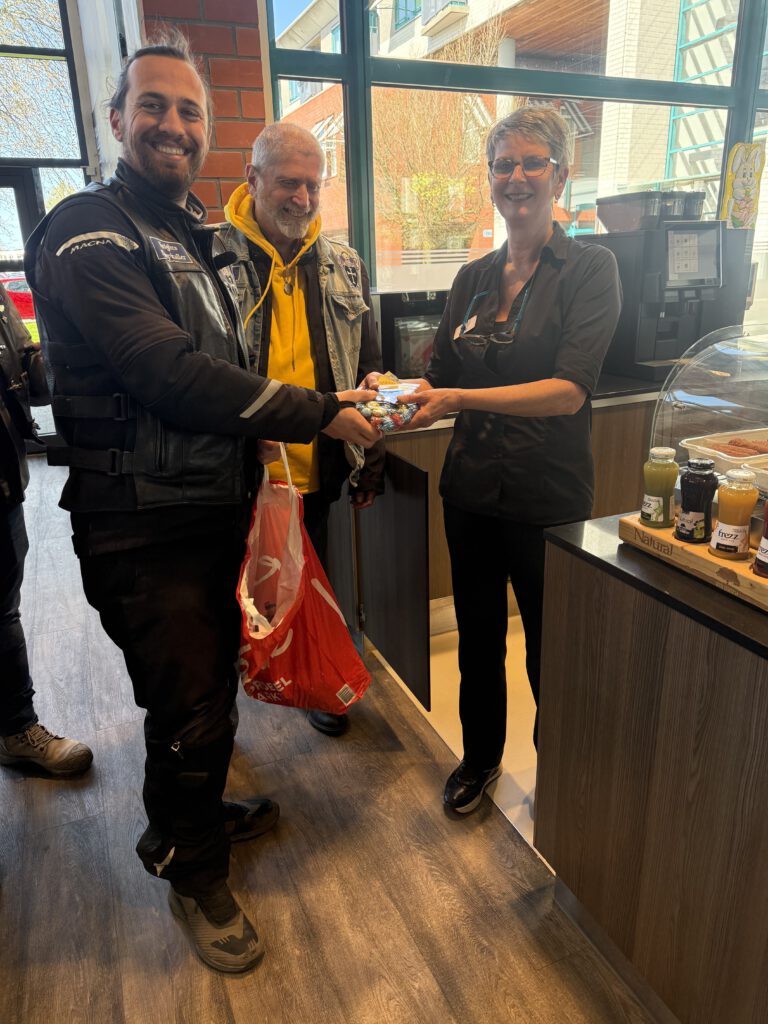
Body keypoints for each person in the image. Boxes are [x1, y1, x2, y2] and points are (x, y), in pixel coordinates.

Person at [24, 34, 378, 974]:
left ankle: (187, 816)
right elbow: (168, 373)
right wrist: (320, 412)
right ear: (116, 119)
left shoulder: (193, 236)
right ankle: (196, 874)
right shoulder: (88, 228)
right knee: (188, 705)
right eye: (153, 105)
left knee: (206, 694)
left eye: (189, 111)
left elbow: (229, 374)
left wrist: (267, 443)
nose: (172, 125)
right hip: (141, 525)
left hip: (209, 511)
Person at [388, 107, 621, 815]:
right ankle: (481, 759)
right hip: (469, 494)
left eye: (531, 163)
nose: (516, 177)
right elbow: (441, 380)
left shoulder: (591, 269)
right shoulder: (472, 277)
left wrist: (457, 394)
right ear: (489, 177)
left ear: (560, 175)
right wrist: (391, 392)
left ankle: (563, 782)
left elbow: (568, 392)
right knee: (478, 640)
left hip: (548, 496)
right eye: (503, 164)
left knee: (552, 649)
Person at [220, 123, 384, 738]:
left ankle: (316, 681)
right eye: (289, 183)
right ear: (252, 178)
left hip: (317, 467)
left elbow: (367, 369)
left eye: (313, 185)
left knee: (311, 583)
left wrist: (371, 459)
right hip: (236, 466)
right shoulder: (211, 259)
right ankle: (218, 707)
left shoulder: (345, 264)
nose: (303, 199)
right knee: (229, 588)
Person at [0, 281, 93, 777]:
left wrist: (64, 344)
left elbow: (30, 375)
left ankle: (15, 730)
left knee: (2, 608)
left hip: (2, 478)